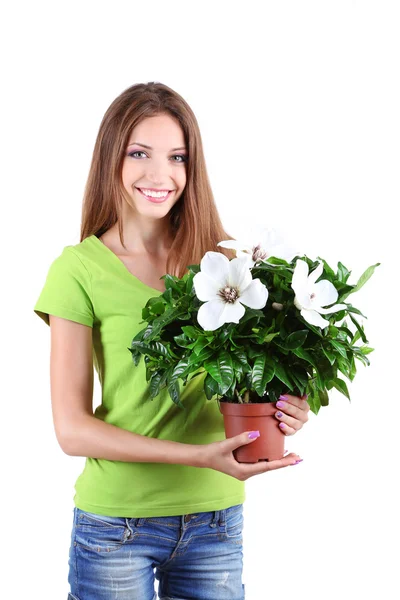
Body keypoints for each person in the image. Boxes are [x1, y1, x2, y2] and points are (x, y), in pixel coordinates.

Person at [34, 82, 310, 600]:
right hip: (117, 525)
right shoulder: (79, 270)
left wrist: (290, 408)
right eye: (140, 153)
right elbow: (71, 430)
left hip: (216, 520)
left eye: (177, 157)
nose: (160, 175)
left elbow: (258, 382)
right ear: (111, 158)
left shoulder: (229, 264)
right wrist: (198, 456)